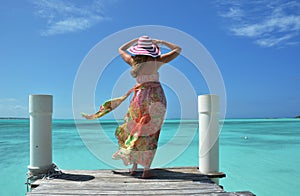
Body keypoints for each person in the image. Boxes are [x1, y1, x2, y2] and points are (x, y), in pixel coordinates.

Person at [82, 35, 181, 178]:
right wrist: (161, 42)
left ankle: (134, 167)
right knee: (151, 133)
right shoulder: (157, 61)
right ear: (152, 50)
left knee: (134, 128)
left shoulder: (133, 61)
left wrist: (134, 41)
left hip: (139, 98)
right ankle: (146, 170)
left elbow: (121, 49)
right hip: (156, 99)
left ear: (138, 49)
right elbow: (178, 49)